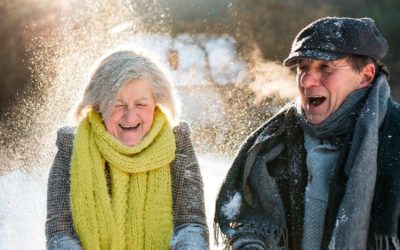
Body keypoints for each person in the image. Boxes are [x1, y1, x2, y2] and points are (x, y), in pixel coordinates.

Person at [214, 17, 400, 250]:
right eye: (303, 67)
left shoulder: (394, 135)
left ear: (366, 75)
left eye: (326, 67)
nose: (307, 80)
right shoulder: (277, 140)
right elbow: (251, 222)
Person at [46, 50, 209, 249]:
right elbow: (60, 231)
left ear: (156, 102)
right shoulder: (71, 148)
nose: (130, 117)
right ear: (98, 105)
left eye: (141, 104)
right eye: (117, 104)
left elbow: (191, 224)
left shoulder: (178, 144)